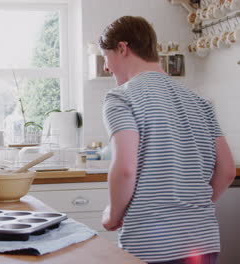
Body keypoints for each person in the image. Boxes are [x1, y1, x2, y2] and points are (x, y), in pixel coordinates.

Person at [99, 16, 236, 264]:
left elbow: (126, 169)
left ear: (122, 48)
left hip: (152, 246)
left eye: (106, 57)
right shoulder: (200, 101)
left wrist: (112, 215)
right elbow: (227, 170)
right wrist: (194, 209)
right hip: (203, 241)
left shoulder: (121, 98)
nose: (107, 67)